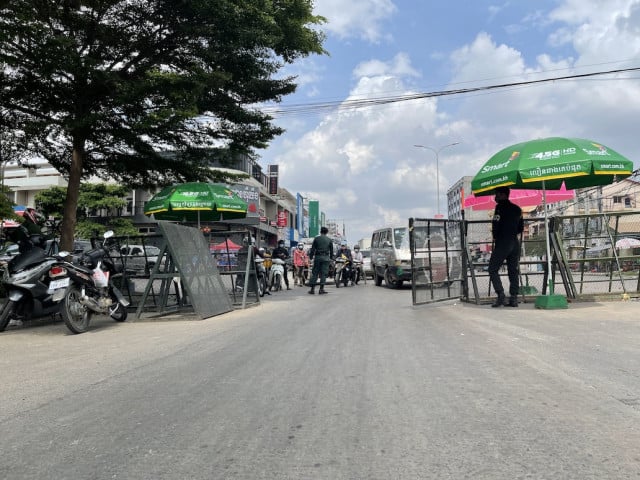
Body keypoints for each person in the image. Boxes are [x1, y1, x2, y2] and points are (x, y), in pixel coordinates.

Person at [488, 186, 524, 307]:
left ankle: (501, 294)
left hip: (503, 242)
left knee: (492, 268)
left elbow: (495, 224)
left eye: (497, 194)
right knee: (513, 270)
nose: (495, 197)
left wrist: (496, 236)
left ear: (503, 195)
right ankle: (513, 298)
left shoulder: (499, 208)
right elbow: (521, 228)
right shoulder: (518, 209)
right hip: (515, 242)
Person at [308, 226, 334, 295]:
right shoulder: (329, 240)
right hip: (326, 258)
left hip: (318, 258)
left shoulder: (316, 239)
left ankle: (312, 289)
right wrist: (331, 258)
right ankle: (321, 289)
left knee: (315, 273)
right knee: (323, 274)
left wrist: (310, 257)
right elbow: (331, 251)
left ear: (320, 232)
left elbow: (312, 249)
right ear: (327, 232)